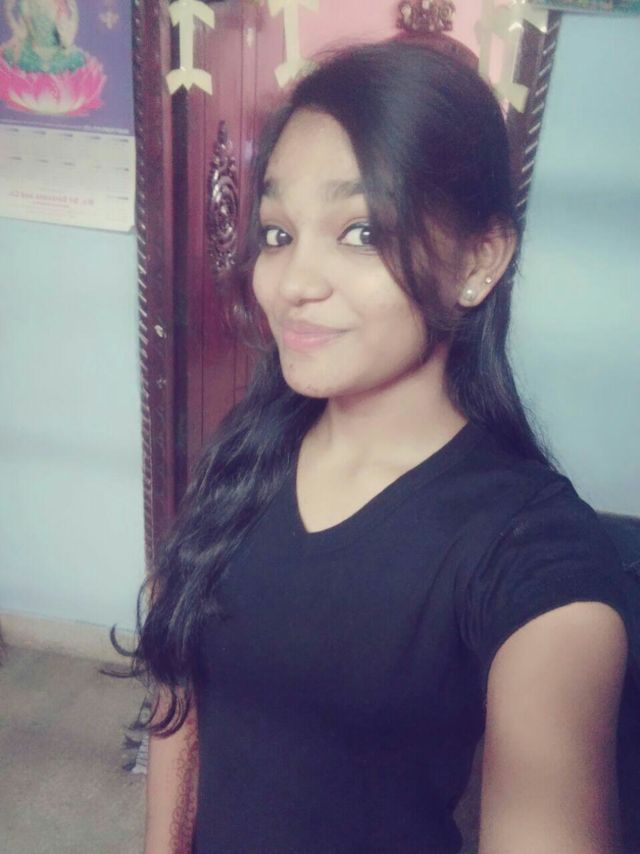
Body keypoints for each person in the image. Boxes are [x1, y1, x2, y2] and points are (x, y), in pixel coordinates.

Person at [132, 41, 637, 853]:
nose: (293, 283)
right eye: (277, 232)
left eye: (360, 231)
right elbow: (180, 701)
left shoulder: (532, 555)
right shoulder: (246, 457)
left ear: (479, 260)